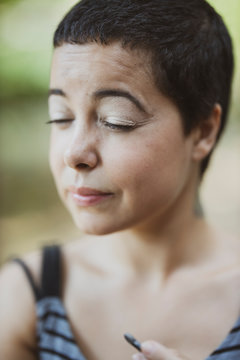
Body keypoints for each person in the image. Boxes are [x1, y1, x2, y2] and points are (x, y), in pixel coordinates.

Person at [0, 0, 238, 359]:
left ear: (203, 131)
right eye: (60, 117)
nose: (74, 153)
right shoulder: (25, 296)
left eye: (116, 120)